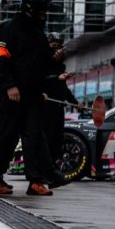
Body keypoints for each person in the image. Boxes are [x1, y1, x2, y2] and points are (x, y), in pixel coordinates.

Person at [0, 0, 59, 197]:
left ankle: (36, 181)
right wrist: (9, 86)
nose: (44, 14)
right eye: (41, 10)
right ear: (30, 9)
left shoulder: (39, 34)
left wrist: (44, 87)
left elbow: (41, 67)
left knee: (34, 137)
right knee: (7, 136)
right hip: (10, 94)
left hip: (32, 95)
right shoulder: (8, 28)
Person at [42, 33, 78, 167]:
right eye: (53, 46)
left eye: (59, 47)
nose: (56, 50)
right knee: (47, 140)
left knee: (57, 140)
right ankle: (44, 171)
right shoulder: (41, 62)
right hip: (45, 107)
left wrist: (75, 102)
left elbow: (64, 88)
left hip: (58, 107)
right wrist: (57, 78)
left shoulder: (60, 66)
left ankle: (52, 169)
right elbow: (39, 80)